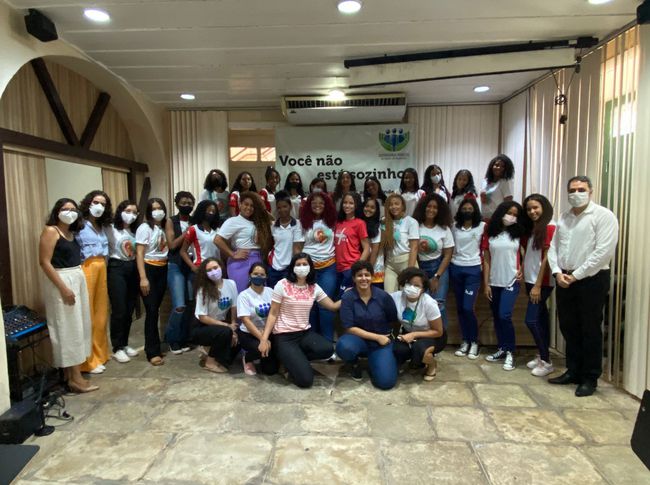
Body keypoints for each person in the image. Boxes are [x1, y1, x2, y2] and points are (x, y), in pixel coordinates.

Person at [548, 175, 619, 397]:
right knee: (569, 327)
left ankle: (590, 377)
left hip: (591, 280)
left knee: (590, 329)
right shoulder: (564, 217)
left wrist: (576, 275)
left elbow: (603, 252)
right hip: (564, 278)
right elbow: (553, 248)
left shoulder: (603, 216)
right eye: (572, 190)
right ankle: (573, 370)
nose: (576, 194)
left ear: (591, 191)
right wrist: (557, 272)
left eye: (581, 189)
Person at [258, 253, 340, 388]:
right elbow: (273, 313)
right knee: (306, 381)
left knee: (327, 349)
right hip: (284, 336)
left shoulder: (314, 287)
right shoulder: (282, 284)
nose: (301, 267)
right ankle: (286, 357)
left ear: (310, 267)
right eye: (298, 264)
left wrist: (349, 294)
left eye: (305, 264)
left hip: (304, 334)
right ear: (292, 267)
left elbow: (332, 306)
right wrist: (264, 339)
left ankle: (294, 360)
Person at [39, 198, 96, 392]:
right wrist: (63, 288)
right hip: (62, 280)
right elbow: (45, 262)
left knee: (79, 327)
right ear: (57, 211)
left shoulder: (71, 233)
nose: (69, 212)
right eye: (65, 209)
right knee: (67, 329)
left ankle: (72, 375)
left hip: (76, 277)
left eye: (73, 209)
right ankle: (75, 379)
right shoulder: (51, 231)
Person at [336, 261, 399, 390]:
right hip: (358, 340)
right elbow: (349, 327)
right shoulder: (347, 297)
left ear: (372, 277)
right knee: (344, 346)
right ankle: (354, 364)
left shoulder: (384, 296)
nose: (364, 278)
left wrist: (390, 339)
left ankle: (377, 362)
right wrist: (377, 337)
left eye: (367, 275)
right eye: (359, 275)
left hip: (381, 343)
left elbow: (393, 320)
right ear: (354, 278)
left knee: (386, 383)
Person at [481, 201, 524, 371]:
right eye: (509, 213)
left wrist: (522, 269)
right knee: (497, 316)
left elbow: (526, 254)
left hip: (511, 281)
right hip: (494, 281)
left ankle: (511, 351)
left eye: (515, 215)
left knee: (504, 315)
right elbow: (486, 259)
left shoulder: (519, 233)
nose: (511, 217)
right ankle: (502, 348)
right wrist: (486, 284)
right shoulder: (490, 232)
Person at [76, 190, 112, 375]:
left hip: (101, 267)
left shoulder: (101, 226)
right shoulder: (79, 224)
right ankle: (87, 361)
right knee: (87, 314)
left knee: (100, 313)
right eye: (96, 202)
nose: (99, 206)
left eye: (103, 204)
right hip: (87, 268)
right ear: (88, 203)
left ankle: (100, 354)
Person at [521, 194, 556, 377]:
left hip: (542, 282)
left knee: (531, 320)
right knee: (541, 319)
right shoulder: (534, 228)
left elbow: (547, 258)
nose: (532, 211)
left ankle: (547, 362)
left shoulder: (550, 227)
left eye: (535, 207)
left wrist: (537, 285)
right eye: (528, 209)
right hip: (530, 279)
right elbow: (530, 255)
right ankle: (542, 355)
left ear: (544, 207)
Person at [391, 267, 446, 381]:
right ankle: (415, 362)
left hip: (433, 336)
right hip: (408, 333)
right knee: (397, 349)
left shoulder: (429, 303)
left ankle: (431, 364)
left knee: (420, 349)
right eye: (409, 284)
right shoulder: (396, 297)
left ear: (423, 289)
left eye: (417, 285)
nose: (412, 288)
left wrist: (414, 335)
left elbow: (438, 331)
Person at [215, 191, 272, 292]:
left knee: (259, 294)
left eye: (252, 206)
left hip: (258, 260)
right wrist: (232, 254)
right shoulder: (233, 221)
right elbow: (217, 240)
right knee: (241, 293)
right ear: (240, 204)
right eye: (246, 204)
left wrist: (262, 210)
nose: (249, 208)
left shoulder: (258, 222)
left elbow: (273, 220)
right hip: (240, 262)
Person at [300, 192, 338, 342]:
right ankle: (313, 342)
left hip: (328, 267)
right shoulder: (303, 222)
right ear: (309, 205)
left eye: (321, 203)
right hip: (309, 269)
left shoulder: (332, 221)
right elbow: (298, 247)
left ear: (326, 205)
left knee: (325, 305)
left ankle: (327, 342)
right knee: (310, 305)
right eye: (314, 203)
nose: (318, 205)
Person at [449, 198, 485, 360]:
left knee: (468, 308)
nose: (467, 211)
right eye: (464, 208)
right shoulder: (454, 227)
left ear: (475, 210)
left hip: (473, 269)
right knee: (460, 308)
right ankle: (465, 341)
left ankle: (474, 342)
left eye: (470, 208)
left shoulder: (482, 226)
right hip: (456, 267)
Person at [413, 193, 454, 329]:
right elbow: (411, 250)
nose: (431, 209)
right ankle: (425, 336)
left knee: (438, 304)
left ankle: (441, 336)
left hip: (439, 268)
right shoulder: (415, 226)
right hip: (420, 269)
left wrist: (437, 277)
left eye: (435, 207)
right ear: (423, 207)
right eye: (429, 206)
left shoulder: (444, 229)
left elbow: (448, 255)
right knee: (421, 304)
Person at [135, 198, 169, 366]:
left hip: (163, 268)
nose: (157, 211)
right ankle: (152, 351)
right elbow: (139, 253)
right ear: (149, 212)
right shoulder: (144, 228)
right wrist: (143, 277)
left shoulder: (163, 227)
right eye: (154, 208)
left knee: (156, 309)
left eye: (160, 208)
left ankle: (154, 345)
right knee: (151, 310)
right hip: (149, 269)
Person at [106, 200, 140, 363]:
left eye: (134, 212)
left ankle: (124, 343)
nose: (131, 215)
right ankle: (117, 347)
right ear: (120, 211)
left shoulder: (135, 230)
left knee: (129, 308)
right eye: (127, 211)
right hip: (116, 268)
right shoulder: (110, 228)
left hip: (132, 267)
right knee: (119, 309)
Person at [191, 258, 239, 373]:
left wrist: (233, 326)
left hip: (220, 325)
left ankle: (208, 351)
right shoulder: (203, 290)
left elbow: (234, 306)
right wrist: (226, 326)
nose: (213, 272)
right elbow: (202, 317)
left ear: (221, 267)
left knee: (238, 338)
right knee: (225, 332)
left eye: (215, 268)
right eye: (209, 270)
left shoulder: (231, 283)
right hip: (202, 326)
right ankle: (210, 362)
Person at [164, 191, 195, 355]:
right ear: (177, 204)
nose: (187, 206)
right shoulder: (171, 221)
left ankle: (183, 338)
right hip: (176, 264)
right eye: (183, 203)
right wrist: (187, 232)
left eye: (190, 203)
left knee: (190, 304)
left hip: (191, 265)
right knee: (179, 306)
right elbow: (172, 245)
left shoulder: (194, 220)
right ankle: (172, 338)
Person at [236, 263, 278, 376]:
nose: (258, 276)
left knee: (271, 370)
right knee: (260, 349)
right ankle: (248, 358)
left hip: (267, 331)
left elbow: (275, 313)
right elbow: (245, 320)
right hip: (249, 333)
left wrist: (266, 334)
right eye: (255, 274)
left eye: (262, 274)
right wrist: (262, 339)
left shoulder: (271, 291)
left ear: (266, 277)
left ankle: (264, 356)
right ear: (250, 275)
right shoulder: (244, 295)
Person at [381, 193, 419, 293]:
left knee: (407, 294)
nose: (393, 207)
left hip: (406, 261)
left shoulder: (411, 222)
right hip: (390, 263)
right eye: (391, 204)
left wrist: (410, 270)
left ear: (403, 206)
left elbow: (414, 247)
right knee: (389, 295)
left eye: (397, 204)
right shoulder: (385, 222)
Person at [334, 192, 370, 295]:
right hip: (336, 267)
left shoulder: (360, 223)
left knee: (345, 297)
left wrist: (357, 267)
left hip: (350, 267)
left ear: (356, 205)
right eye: (345, 202)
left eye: (351, 203)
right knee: (336, 297)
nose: (347, 205)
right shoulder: (338, 222)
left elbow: (366, 248)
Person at [268, 191, 304, 287]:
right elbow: (270, 245)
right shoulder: (273, 226)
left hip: (289, 268)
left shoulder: (297, 224)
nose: (282, 210)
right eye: (279, 207)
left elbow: (297, 248)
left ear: (290, 207)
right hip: (273, 267)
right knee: (273, 294)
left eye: (285, 206)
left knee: (287, 294)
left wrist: (297, 268)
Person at [480, 154, 514, 220]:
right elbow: (483, 201)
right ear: (492, 166)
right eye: (497, 165)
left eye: (503, 166)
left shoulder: (506, 182)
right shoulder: (485, 181)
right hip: (484, 218)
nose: (499, 168)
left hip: (497, 219)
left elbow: (508, 204)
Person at [362, 198, 384, 289]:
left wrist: (369, 272)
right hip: (363, 266)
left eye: (372, 207)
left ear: (376, 210)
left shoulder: (377, 227)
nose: (368, 209)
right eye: (367, 206)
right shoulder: (360, 223)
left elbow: (375, 252)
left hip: (374, 268)